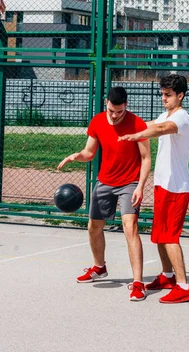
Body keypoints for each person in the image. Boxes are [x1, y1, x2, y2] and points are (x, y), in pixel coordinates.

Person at [57, 86, 151, 302]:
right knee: (93, 227)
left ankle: (137, 283)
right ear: (106, 104)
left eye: (119, 111)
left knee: (130, 228)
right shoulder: (98, 121)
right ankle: (99, 267)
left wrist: (140, 186)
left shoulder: (138, 124)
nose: (115, 115)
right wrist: (76, 156)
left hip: (130, 182)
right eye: (111, 111)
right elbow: (89, 153)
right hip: (106, 180)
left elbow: (146, 158)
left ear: (126, 106)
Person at [118, 74, 189, 304]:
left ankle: (183, 286)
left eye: (168, 95)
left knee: (170, 236)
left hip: (176, 188)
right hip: (162, 186)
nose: (164, 98)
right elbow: (151, 124)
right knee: (160, 235)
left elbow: (161, 129)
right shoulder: (165, 114)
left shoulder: (181, 118)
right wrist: (121, 124)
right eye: (162, 94)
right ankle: (168, 276)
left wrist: (137, 135)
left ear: (180, 95)